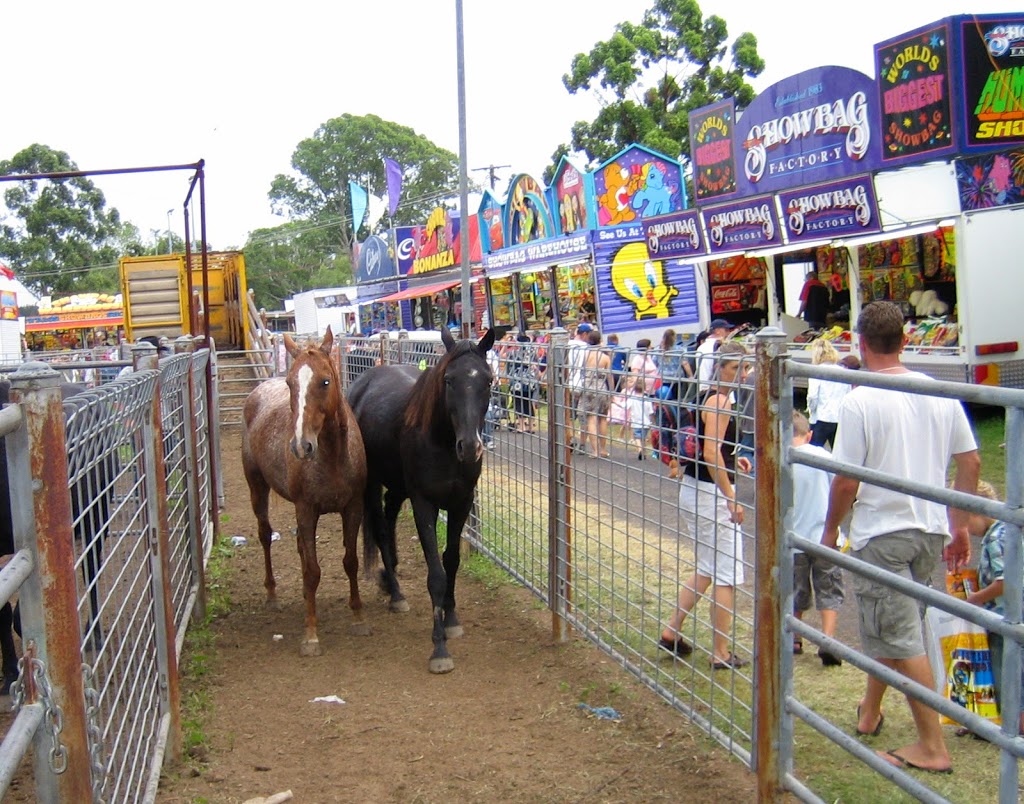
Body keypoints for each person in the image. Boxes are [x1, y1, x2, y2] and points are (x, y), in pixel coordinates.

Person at [821, 301, 980, 774]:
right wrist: (958, 525)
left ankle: (932, 746)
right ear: (905, 341)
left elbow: (846, 480)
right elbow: (970, 462)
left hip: (882, 530)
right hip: (928, 531)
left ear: (860, 343)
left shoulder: (860, 399)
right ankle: (869, 713)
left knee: (900, 635)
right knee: (895, 627)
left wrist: (829, 530)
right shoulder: (939, 391)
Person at [660, 341, 752, 669]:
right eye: (738, 368)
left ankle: (671, 630)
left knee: (707, 568)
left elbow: (709, 449)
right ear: (723, 368)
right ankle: (721, 652)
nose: (744, 374)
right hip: (710, 495)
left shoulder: (703, 396)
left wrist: (734, 459)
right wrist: (732, 497)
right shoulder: (721, 400)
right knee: (726, 574)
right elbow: (711, 452)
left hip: (694, 488)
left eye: (746, 368)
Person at [964, 481, 1022, 735]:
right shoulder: (1007, 532)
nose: (966, 530)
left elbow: (1005, 580)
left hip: (1003, 615)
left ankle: (1007, 723)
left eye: (966, 521)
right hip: (1008, 613)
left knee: (1002, 668)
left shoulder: (996, 539)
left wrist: (977, 597)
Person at [789, 411, 844, 666]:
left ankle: (795, 636)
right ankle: (827, 638)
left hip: (794, 538)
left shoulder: (783, 461)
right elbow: (840, 489)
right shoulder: (825, 457)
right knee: (828, 586)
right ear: (809, 435)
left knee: (795, 588)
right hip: (824, 535)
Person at [806, 338, 851, 449]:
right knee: (838, 453)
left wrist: (811, 411)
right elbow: (848, 394)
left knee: (813, 453)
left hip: (821, 417)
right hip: (838, 418)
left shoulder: (816, 371)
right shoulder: (843, 371)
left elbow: (812, 396)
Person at [579, 330, 611, 458]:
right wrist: (612, 392)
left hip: (587, 386)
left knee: (591, 419)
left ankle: (595, 450)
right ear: (600, 341)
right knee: (602, 418)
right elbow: (609, 376)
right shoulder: (605, 357)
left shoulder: (585, 355)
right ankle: (603, 449)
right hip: (601, 386)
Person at [566, 323, 592, 450]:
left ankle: (570, 437)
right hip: (582, 382)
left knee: (569, 413)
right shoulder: (587, 348)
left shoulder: (566, 345)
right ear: (585, 334)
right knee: (583, 414)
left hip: (568, 381)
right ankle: (582, 443)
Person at [696, 319, 735, 391]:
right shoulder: (721, 347)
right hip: (720, 390)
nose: (728, 332)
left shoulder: (701, 347)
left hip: (705, 389)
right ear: (717, 331)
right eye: (726, 330)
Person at [623, 375, 654, 460]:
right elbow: (651, 412)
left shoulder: (632, 399)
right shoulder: (647, 399)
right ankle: (643, 451)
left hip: (636, 421)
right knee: (643, 438)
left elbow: (625, 406)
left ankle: (639, 450)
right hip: (646, 422)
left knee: (637, 437)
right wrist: (652, 421)